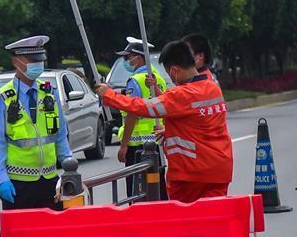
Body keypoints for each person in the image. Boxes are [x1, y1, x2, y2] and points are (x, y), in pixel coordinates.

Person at [0, 35, 73, 237]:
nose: (38, 64)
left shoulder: (49, 93)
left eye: (40, 60)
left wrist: (69, 164)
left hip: (49, 181)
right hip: (17, 183)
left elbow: (59, 135)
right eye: (32, 60)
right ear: (17, 62)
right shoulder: (2, 97)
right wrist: (1, 179)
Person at [95, 39, 233, 203]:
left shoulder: (182, 95)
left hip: (191, 174)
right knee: (214, 219)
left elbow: (145, 107)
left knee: (184, 223)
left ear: (174, 70)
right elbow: (201, 123)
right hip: (219, 170)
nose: (172, 79)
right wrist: (172, 131)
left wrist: (109, 95)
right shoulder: (213, 88)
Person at [113, 37, 161, 194]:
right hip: (156, 142)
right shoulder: (157, 78)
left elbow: (132, 114)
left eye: (127, 57)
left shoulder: (134, 80)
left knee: (137, 192)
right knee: (157, 189)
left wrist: (123, 145)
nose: (125, 61)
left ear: (138, 58)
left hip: (138, 146)